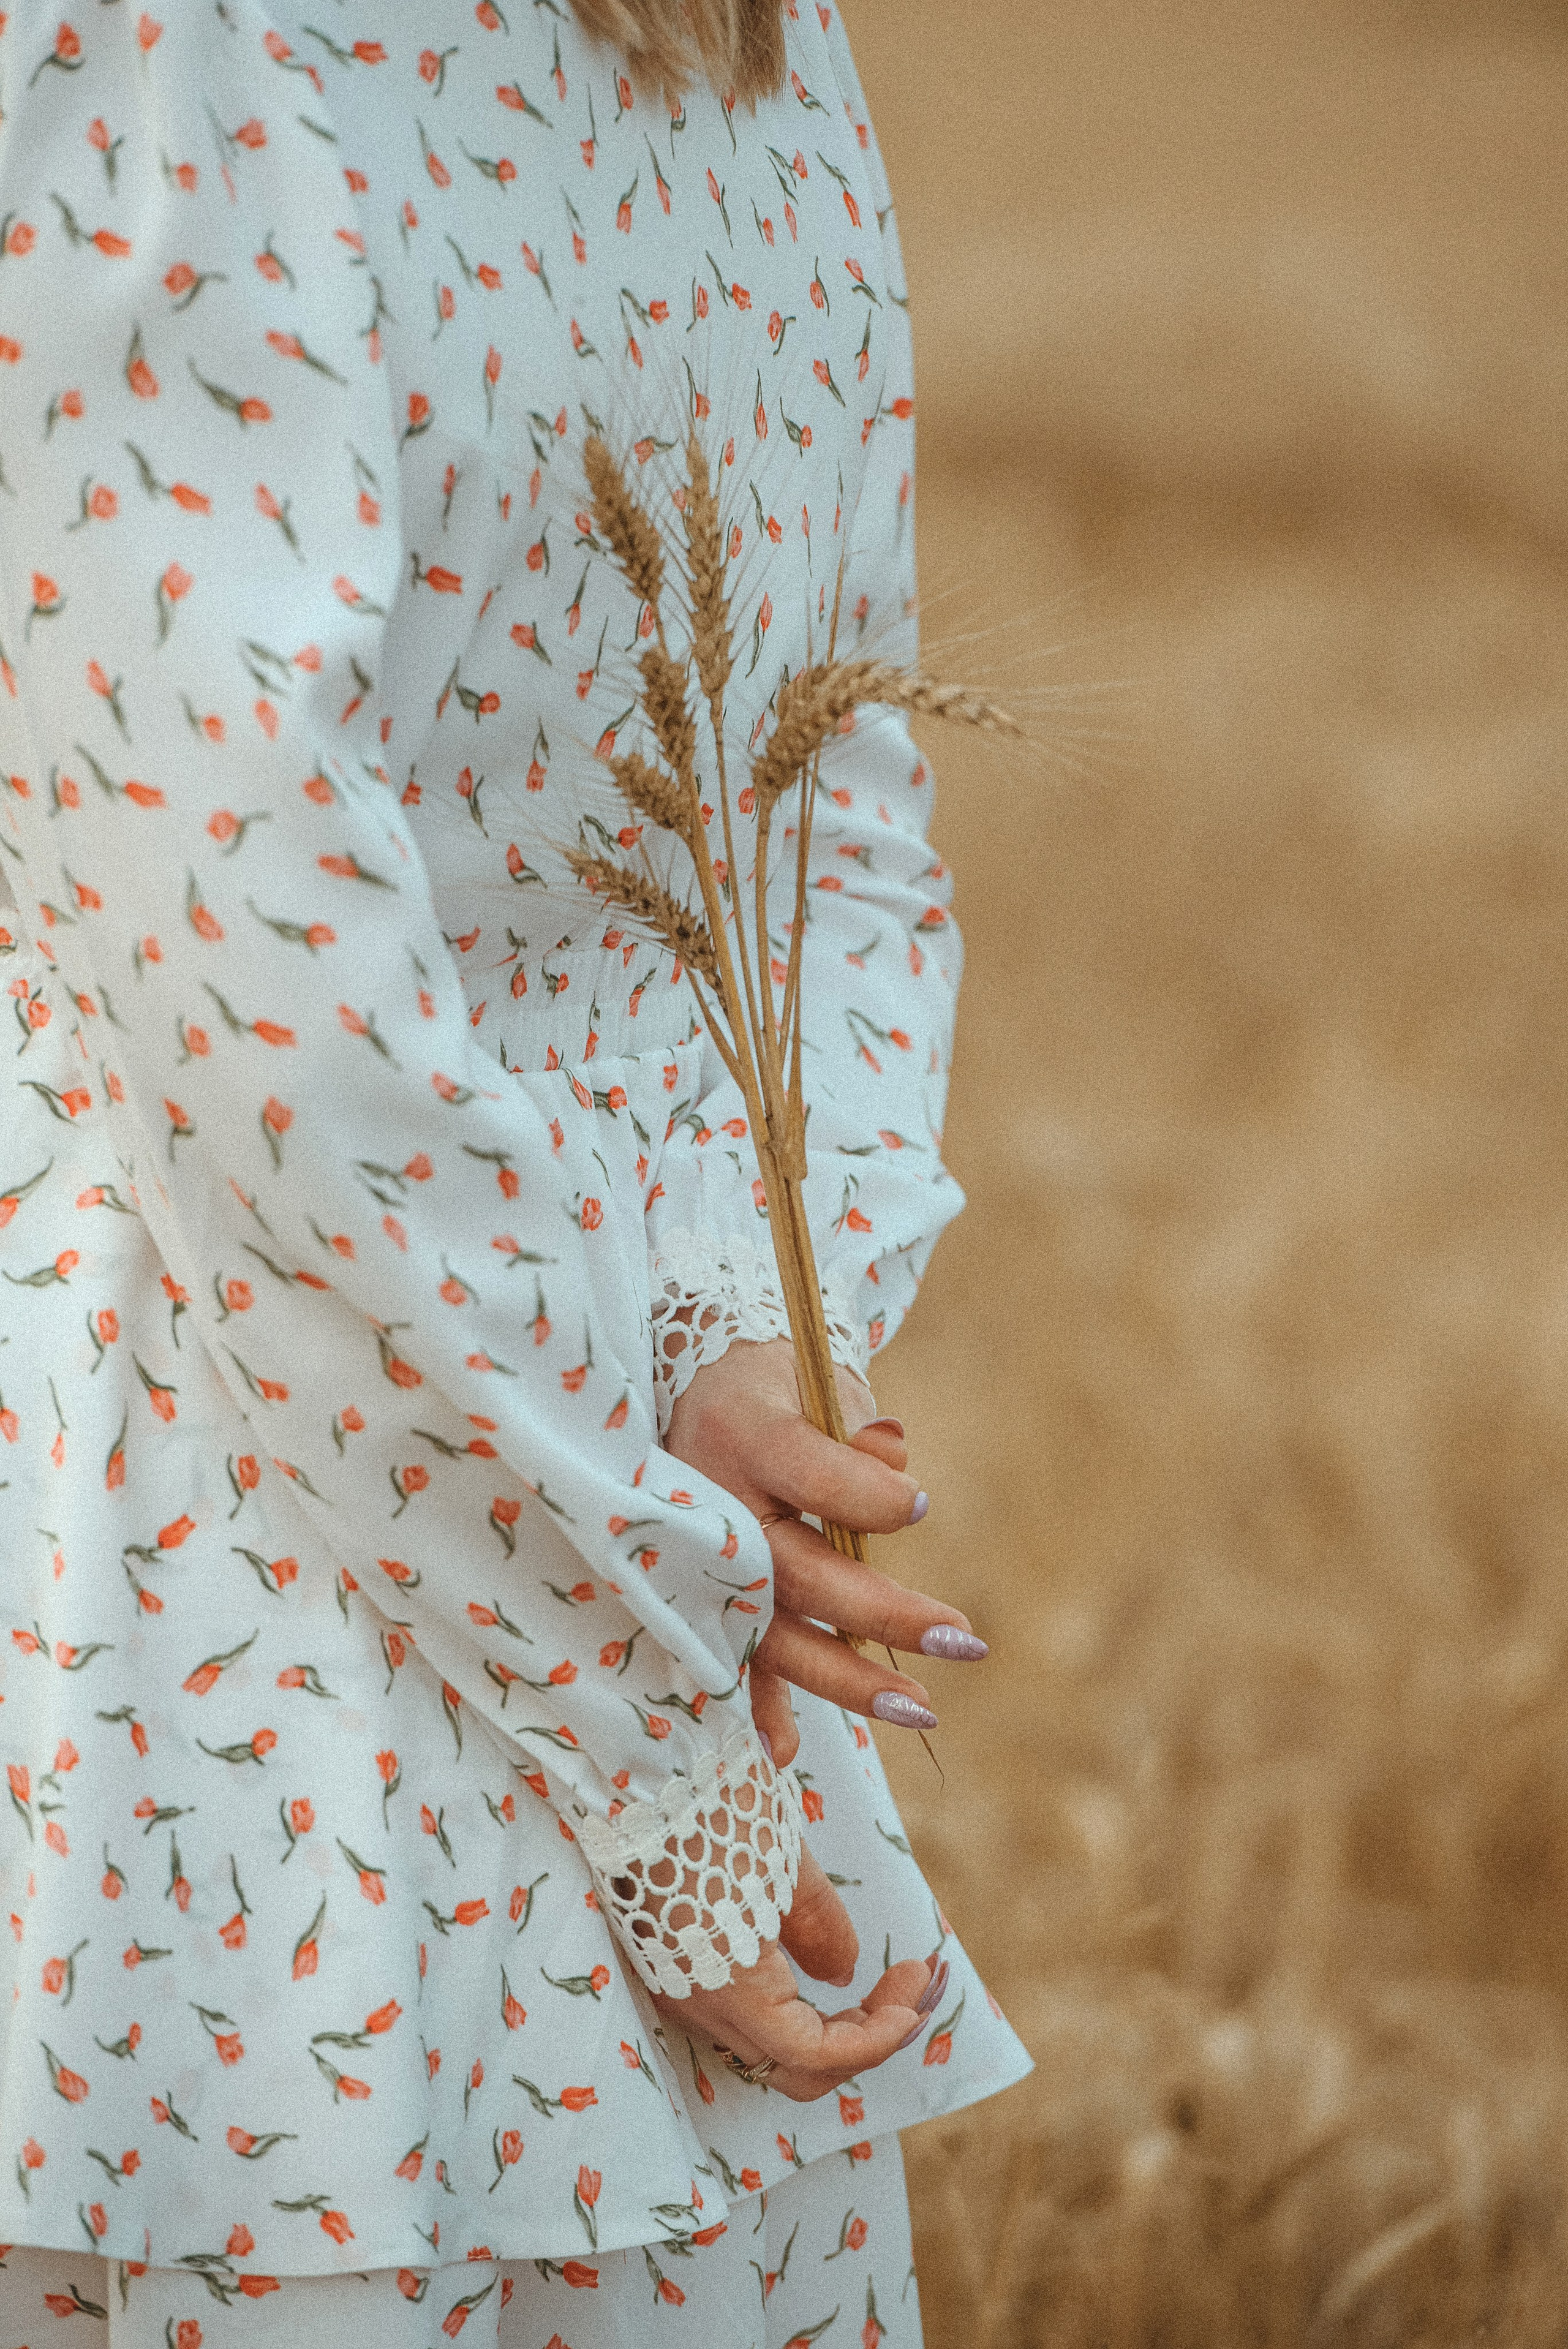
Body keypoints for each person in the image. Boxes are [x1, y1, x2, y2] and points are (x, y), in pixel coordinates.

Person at [0, 0, 1030, 2338]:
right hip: (587, 1495)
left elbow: (234, 973)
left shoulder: (167, 36)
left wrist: (660, 1666)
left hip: (198, 1538)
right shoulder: (750, 27)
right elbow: (826, 814)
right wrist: (728, 1346)